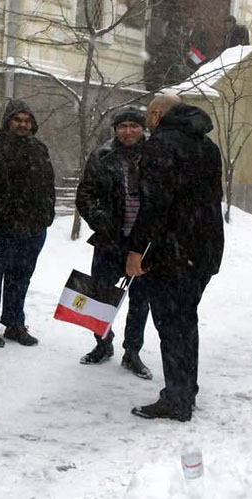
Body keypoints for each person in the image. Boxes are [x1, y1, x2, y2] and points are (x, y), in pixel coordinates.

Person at [127, 94, 224, 422]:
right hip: (203, 249)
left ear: (156, 115)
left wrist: (137, 249)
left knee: (172, 325)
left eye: (148, 115)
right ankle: (185, 389)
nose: (147, 121)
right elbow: (211, 199)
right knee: (185, 322)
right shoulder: (207, 146)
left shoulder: (160, 146)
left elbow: (154, 205)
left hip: (173, 251)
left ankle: (177, 399)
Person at [76, 106, 152, 379]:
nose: (128, 131)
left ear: (142, 128)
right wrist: (101, 220)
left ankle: (132, 351)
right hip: (110, 240)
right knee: (100, 296)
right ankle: (102, 343)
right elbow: (86, 193)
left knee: (140, 300)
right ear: (115, 129)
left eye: (134, 126)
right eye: (122, 126)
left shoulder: (154, 155)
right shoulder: (102, 156)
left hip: (144, 242)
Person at [0, 99, 54, 348]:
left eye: (26, 120)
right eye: (17, 120)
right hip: (3, 228)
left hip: (33, 227)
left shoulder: (39, 148)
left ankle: (14, 323)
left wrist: (47, 213)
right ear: (7, 121)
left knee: (20, 278)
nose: (22, 125)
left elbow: (48, 184)